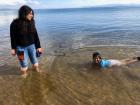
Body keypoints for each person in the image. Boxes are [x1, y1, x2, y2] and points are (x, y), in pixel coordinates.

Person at [10, 5, 43, 76]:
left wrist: (38, 46)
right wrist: (13, 48)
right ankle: (24, 76)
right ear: (24, 13)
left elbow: (35, 35)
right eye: (30, 13)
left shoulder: (31, 22)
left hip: (32, 46)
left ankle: (37, 72)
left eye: (32, 13)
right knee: (23, 64)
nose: (32, 15)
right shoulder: (14, 23)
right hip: (20, 48)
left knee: (35, 61)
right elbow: (12, 37)